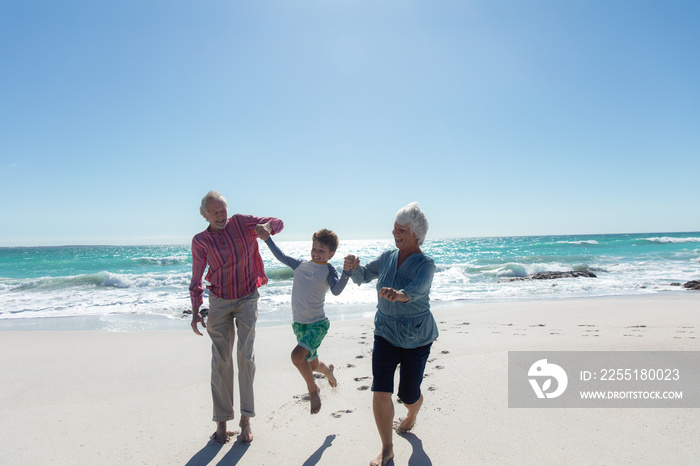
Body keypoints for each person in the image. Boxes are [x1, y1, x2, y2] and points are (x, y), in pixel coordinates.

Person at [345, 202, 438, 466]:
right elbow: (364, 276)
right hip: (384, 333)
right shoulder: (387, 257)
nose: (395, 232)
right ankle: (387, 449)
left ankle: (413, 410)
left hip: (416, 338)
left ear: (416, 234)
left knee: (408, 395)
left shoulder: (426, 264)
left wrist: (399, 295)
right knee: (380, 391)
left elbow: (416, 290)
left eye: (401, 230)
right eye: (394, 228)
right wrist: (353, 268)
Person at [189, 190, 284, 445]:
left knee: (245, 356)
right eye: (215, 212)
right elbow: (197, 278)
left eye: (223, 211)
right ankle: (221, 421)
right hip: (219, 301)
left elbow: (278, 222)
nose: (221, 216)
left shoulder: (242, 223)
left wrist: (267, 228)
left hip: (246, 297)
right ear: (204, 214)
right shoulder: (200, 241)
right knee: (220, 360)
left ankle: (246, 419)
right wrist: (196, 310)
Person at [256, 226, 352, 414]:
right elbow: (281, 256)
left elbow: (336, 290)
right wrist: (267, 239)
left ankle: (313, 389)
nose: (316, 253)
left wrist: (346, 274)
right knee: (312, 365)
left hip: (317, 325)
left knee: (296, 356)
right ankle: (328, 372)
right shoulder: (300, 264)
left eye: (321, 251)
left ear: (331, 254)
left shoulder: (329, 270)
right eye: (314, 248)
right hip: (299, 324)